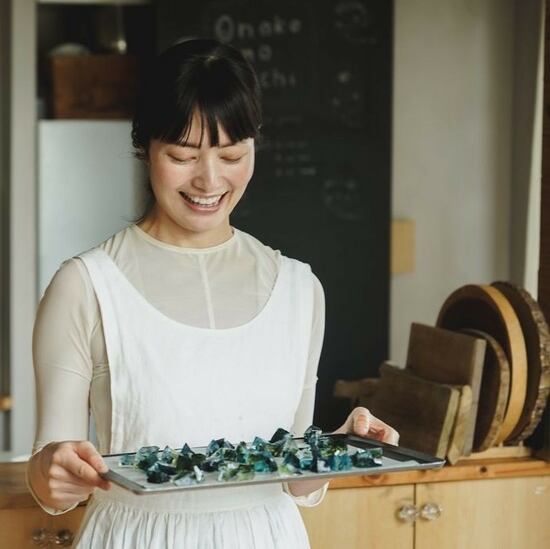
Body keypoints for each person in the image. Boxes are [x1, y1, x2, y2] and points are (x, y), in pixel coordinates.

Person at [26, 38, 398, 548]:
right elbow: (52, 484)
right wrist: (52, 469)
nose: (209, 179)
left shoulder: (298, 288)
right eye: (182, 155)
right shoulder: (86, 285)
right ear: (145, 147)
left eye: (231, 155)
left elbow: (291, 479)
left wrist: (341, 448)